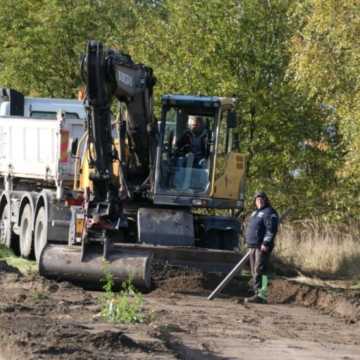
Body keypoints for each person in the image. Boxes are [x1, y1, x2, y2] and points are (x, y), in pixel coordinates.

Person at [244, 191, 279, 304]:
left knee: (260, 271)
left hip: (262, 247)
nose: (260, 201)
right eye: (257, 199)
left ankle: (261, 296)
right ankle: (257, 293)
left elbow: (271, 229)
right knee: (255, 271)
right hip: (253, 246)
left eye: (262, 199)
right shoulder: (255, 213)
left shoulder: (269, 212)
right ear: (255, 201)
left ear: (266, 200)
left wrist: (266, 243)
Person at [174, 116, 210, 190]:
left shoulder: (206, 135)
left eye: (196, 125)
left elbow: (209, 149)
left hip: (200, 158)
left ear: (201, 125)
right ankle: (179, 185)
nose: (194, 127)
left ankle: (203, 187)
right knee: (180, 161)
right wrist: (184, 148)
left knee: (205, 163)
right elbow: (178, 145)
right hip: (188, 156)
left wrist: (205, 157)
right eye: (193, 125)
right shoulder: (187, 133)